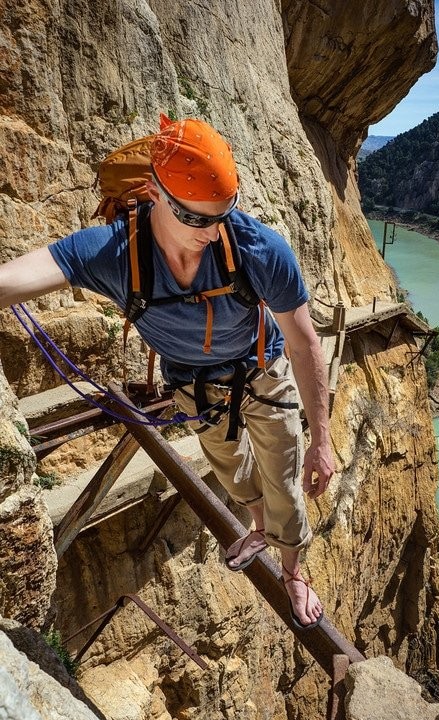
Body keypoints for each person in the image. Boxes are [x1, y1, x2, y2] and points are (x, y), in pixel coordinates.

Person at [0, 117, 335, 629]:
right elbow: (17, 278)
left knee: (284, 480)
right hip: (195, 389)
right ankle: (258, 524)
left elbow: (304, 340)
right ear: (155, 193)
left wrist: (323, 438)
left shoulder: (260, 250)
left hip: (262, 372)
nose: (212, 231)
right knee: (233, 470)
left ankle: (292, 571)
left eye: (223, 215)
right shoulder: (114, 253)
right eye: (196, 219)